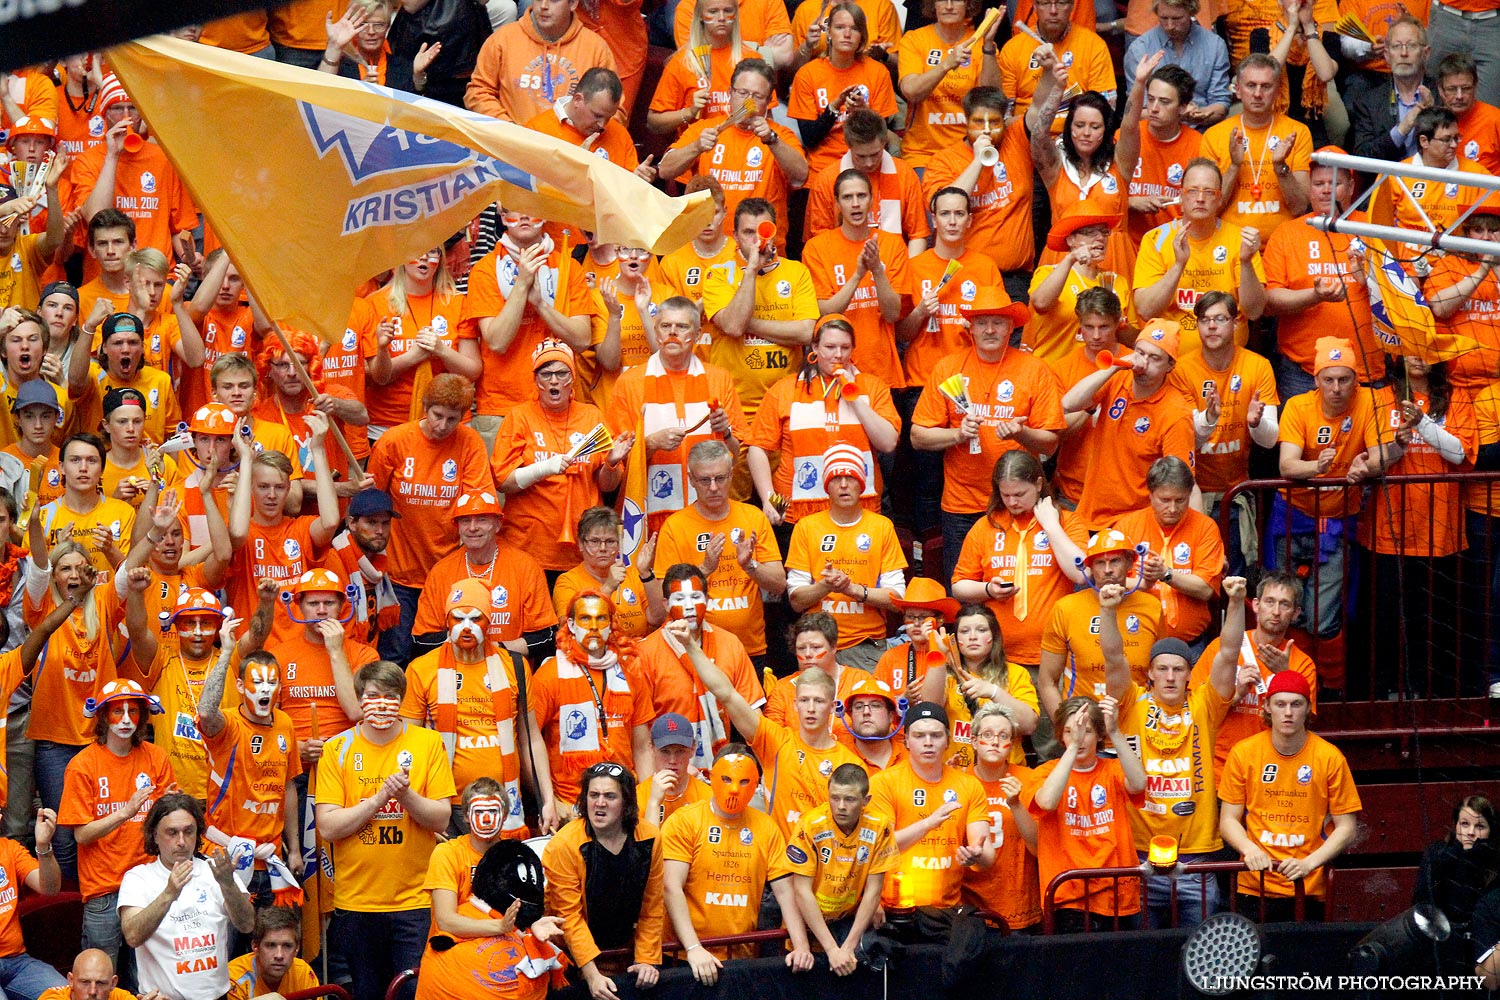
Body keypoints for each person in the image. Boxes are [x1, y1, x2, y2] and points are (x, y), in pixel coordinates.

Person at [1104, 575, 1243, 927]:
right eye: (1162, 669)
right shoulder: (1131, 702)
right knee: (1143, 960)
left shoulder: (1204, 706)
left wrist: (1237, 602)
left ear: (1189, 674)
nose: (1169, 676)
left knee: (1202, 958)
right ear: (1149, 673)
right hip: (1140, 857)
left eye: (1178, 669)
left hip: (1195, 861)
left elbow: (1228, 654)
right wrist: (1107, 611)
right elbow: (1113, 656)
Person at [315, 660, 457, 1000]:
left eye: (390, 696)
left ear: (402, 700)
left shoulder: (428, 743)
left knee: (411, 993)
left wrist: (405, 795)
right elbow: (328, 825)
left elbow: (440, 818)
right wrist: (378, 799)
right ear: (360, 698)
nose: (381, 703)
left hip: (414, 902)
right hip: (357, 903)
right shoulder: (337, 749)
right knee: (367, 993)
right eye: (373, 695)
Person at [912, 286, 1065, 583]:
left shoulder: (1035, 370)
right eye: (982, 322)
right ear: (970, 327)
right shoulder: (948, 368)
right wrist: (956, 434)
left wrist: (1022, 434)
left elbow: (1051, 441)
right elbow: (918, 436)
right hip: (961, 506)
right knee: (965, 593)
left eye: (998, 322)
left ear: (1011, 327)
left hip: (1019, 505)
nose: (990, 329)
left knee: (1021, 589)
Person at [674, 616, 861, 841]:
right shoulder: (775, 741)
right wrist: (690, 645)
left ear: (832, 707)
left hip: (826, 863)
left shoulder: (849, 763)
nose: (811, 708)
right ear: (794, 704)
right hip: (780, 863)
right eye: (804, 700)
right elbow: (726, 693)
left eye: (819, 701)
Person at [950, 451, 1086, 753]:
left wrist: (1051, 526)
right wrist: (988, 589)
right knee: (996, 742)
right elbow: (958, 584)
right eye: (1005, 494)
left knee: (1051, 745)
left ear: (1039, 484)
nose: (1012, 501)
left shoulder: (1066, 521)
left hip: (1049, 657)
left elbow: (1079, 572)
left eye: (1020, 494)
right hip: (998, 659)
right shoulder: (987, 526)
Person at [403, 577, 556, 837]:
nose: (466, 627)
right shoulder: (421, 669)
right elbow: (408, 747)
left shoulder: (515, 666)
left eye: (476, 619)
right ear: (445, 621)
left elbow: (531, 741)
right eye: (457, 619)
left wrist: (548, 799)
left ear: (490, 623)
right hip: (446, 806)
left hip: (505, 803)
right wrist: (423, 810)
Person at [1274, 337, 1402, 648]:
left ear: (1356, 379)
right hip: (1292, 518)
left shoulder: (1370, 401)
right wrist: (1317, 467)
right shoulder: (1298, 405)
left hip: (1338, 522)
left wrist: (1366, 469)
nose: (1336, 388)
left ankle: (1327, 688)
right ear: (1315, 380)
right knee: (1281, 610)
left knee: (1321, 616)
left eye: (1344, 379)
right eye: (1328, 379)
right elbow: (1287, 466)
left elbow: (1379, 456)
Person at [367, 374, 496, 665]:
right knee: (395, 655)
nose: (442, 426)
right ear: (424, 407)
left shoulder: (470, 442)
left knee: (444, 656)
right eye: (437, 415)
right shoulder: (394, 441)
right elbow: (373, 504)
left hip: (449, 573)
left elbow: (478, 502)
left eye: (452, 419)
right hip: (398, 574)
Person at [58, 679, 176, 991]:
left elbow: (169, 821)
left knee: (148, 982)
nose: (125, 720)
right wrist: (126, 811)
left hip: (149, 884)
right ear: (102, 717)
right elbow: (81, 835)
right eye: (117, 712)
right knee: (97, 984)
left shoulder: (157, 758)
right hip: (103, 889)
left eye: (133, 712)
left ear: (142, 718)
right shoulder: (81, 765)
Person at [661, 745, 813, 982]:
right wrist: (693, 948)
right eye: (726, 778)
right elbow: (671, 886)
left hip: (741, 955)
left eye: (744, 782)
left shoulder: (767, 828)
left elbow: (786, 891)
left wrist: (801, 946)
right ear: (711, 777)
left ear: (756, 783)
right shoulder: (684, 822)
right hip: (685, 956)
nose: (734, 789)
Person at [1219, 670, 1362, 922]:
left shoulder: (1330, 758)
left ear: (1308, 709)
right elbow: (1228, 819)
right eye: (1280, 704)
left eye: (1296, 704)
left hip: (1307, 887)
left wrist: (1310, 862)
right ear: (1267, 707)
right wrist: (1248, 849)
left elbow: (1347, 827)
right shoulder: (1244, 753)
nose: (1288, 712)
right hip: (1254, 884)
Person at [605, 297, 748, 535]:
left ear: (698, 333)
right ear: (655, 330)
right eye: (665, 326)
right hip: (650, 514)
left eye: (682, 327)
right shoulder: (630, 383)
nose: (673, 333)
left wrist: (726, 432)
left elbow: (734, 457)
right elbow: (615, 463)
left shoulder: (718, 379)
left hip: (708, 513)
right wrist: (650, 444)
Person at [197, 600, 305, 914]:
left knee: (273, 947)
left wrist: (294, 850)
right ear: (242, 686)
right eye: (257, 682)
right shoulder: (228, 724)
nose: (265, 689)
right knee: (229, 946)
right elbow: (205, 711)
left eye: (272, 683)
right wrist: (227, 651)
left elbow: (288, 788)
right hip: (225, 855)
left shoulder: (284, 723)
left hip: (271, 860)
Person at [492, 339, 632, 575]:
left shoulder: (591, 417)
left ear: (573, 378)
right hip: (530, 548)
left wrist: (611, 462)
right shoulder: (519, 417)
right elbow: (503, 482)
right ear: (536, 380)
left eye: (561, 373)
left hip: (582, 551)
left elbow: (607, 486)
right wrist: (544, 468)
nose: (554, 381)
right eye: (546, 374)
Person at [748, 316, 900, 532]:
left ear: (853, 349)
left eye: (845, 347)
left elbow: (888, 443)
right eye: (830, 347)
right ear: (814, 347)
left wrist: (855, 397)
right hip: (796, 510)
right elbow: (757, 448)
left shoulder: (873, 387)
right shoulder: (784, 390)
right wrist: (768, 498)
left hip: (859, 508)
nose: (838, 355)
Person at [1262, 148, 1384, 399]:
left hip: (1367, 372)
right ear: (1310, 188)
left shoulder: (1375, 228)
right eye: (1318, 183)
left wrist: (1370, 280)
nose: (1326, 190)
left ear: (1351, 187)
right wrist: (1315, 296)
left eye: (1335, 183)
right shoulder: (1287, 233)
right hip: (1303, 373)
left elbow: (1405, 295)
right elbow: (1268, 303)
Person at [457, 209, 594, 424]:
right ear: (503, 218)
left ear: (545, 216)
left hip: (558, 405)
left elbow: (582, 340)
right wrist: (521, 284)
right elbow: (497, 341)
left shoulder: (568, 267)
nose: (523, 216)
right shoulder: (485, 270)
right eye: (515, 209)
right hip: (501, 408)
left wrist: (540, 303)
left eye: (531, 209)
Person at [652, 439, 785, 660]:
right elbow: (661, 602)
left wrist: (750, 566)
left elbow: (779, 585)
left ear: (731, 475)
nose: (713, 487)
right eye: (705, 480)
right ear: (691, 480)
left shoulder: (753, 517)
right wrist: (704, 569)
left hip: (750, 650)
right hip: (697, 650)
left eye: (720, 478)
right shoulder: (674, 527)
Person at [541, 762, 664, 998]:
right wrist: (591, 973)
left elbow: (652, 906)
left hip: (621, 951)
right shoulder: (564, 845)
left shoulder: (650, 838)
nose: (599, 803)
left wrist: (647, 959)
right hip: (569, 960)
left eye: (610, 796)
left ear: (627, 802)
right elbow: (569, 917)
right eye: (593, 795)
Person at [658, 61, 809, 253]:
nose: (749, 101)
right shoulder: (705, 129)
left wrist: (772, 140)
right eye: (742, 93)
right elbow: (665, 170)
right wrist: (696, 147)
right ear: (730, 93)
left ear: (769, 100)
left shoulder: (780, 135)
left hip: (762, 250)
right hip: (711, 252)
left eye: (757, 96)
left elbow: (801, 175)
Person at [1061, 318, 1198, 529]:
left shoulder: (1176, 413)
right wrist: (1116, 366)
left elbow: (1180, 481)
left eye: (1154, 358)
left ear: (1170, 365)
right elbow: (1069, 403)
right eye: (1140, 353)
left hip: (1136, 524)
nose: (1143, 364)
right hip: (1089, 514)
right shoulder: (1118, 379)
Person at [1030, 50, 1157, 277]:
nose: (1086, 133)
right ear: (1069, 128)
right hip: (1062, 260)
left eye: (1095, 127)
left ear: (1106, 131)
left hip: (1114, 260)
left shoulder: (1120, 163)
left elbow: (1129, 125)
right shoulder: (1056, 166)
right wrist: (1057, 90)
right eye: (1079, 125)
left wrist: (1139, 83)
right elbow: (1038, 135)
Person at [699, 200, 817, 441]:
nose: (757, 240)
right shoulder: (718, 273)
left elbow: (806, 333)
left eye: (763, 230)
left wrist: (748, 323)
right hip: (733, 406)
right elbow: (733, 326)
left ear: (775, 231)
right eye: (748, 232)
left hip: (785, 404)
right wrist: (752, 269)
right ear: (735, 236)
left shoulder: (797, 272)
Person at [118, 793, 254, 1000]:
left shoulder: (217, 870)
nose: (181, 842)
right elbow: (133, 936)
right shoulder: (138, 878)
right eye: (172, 833)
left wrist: (227, 884)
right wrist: (169, 893)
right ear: (154, 835)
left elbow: (247, 925)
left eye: (188, 832)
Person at [1028, 694, 1146, 931]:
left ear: (1099, 735)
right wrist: (1072, 748)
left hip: (1115, 893)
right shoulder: (1044, 772)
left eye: (1087, 731)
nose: (1079, 738)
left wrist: (1115, 732)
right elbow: (1047, 802)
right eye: (1070, 731)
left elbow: (1139, 783)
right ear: (1060, 735)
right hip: (1067, 896)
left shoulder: (1112, 769)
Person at [530, 590, 654, 815]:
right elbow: (529, 744)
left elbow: (643, 747)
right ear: (571, 624)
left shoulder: (631, 672)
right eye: (585, 618)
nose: (594, 626)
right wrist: (549, 801)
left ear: (611, 624)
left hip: (624, 803)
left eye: (601, 618)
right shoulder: (549, 676)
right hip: (570, 805)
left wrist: (646, 803)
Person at [63, 77, 198, 282]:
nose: (126, 116)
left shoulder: (163, 159)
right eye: (117, 108)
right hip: (106, 280)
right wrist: (112, 156)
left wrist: (190, 257)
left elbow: (179, 228)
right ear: (104, 114)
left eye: (132, 108)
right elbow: (97, 217)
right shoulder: (87, 160)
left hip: (156, 279)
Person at [785, 445, 907, 669]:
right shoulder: (806, 527)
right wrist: (826, 585)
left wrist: (852, 589)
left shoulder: (881, 526)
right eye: (836, 478)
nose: (843, 485)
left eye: (850, 477)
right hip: (816, 645)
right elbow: (796, 600)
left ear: (861, 483)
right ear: (826, 486)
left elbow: (897, 599)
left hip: (866, 645)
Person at [225, 415, 342, 649]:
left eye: (279, 487)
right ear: (250, 488)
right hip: (254, 652)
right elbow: (237, 533)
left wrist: (317, 450)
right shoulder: (243, 533)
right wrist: (246, 460)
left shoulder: (299, 529)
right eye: (263, 487)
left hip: (298, 651)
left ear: (289, 488)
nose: (271, 495)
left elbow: (330, 522)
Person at [868, 702, 993, 916]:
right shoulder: (884, 782)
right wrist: (928, 823)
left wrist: (976, 856)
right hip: (895, 908)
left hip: (948, 909)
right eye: (919, 736)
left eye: (936, 736)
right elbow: (880, 848)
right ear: (906, 740)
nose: (928, 743)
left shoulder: (969, 785)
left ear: (948, 740)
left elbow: (986, 857)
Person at [1190, 570, 1319, 779]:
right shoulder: (1220, 649)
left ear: (1296, 613)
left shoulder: (1302, 664)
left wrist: (1285, 676)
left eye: (1284, 604)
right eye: (1270, 602)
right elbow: (1194, 713)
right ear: (1256, 605)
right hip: (1218, 769)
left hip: (1269, 772)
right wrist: (1236, 694)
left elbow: (1303, 725)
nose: (1276, 611)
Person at [635, 563, 765, 770]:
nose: (689, 606)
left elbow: (754, 718)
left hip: (722, 768)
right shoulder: (645, 653)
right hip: (668, 770)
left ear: (707, 600)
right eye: (680, 599)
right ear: (666, 604)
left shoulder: (730, 644)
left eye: (696, 597)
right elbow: (640, 738)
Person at [1134, 160, 1267, 355]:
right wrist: (1179, 265)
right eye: (1193, 191)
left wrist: (1246, 262)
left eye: (1209, 192)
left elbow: (1254, 311)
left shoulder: (1240, 239)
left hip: (1228, 360)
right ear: (1181, 196)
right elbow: (1146, 310)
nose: (1200, 198)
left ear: (1220, 199)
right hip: (1171, 360)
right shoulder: (1156, 239)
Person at [410, 490, 557, 661]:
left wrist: (493, 649)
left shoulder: (525, 567)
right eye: (465, 520)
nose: (473, 527)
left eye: (482, 519)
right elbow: (422, 640)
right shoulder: (441, 571)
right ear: (457, 526)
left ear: (498, 524)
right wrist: (468, 644)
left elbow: (545, 637)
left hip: (508, 670)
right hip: (456, 673)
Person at [414, 840, 570, 1000]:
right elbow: (446, 923)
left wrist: (532, 930)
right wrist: (500, 926)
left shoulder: (515, 918)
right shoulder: (467, 912)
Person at [919, 88, 1036, 300]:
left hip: (1015, 278)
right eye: (978, 123)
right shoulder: (943, 161)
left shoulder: (1016, 139)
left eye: (994, 122)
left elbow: (1040, 107)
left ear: (1005, 121)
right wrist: (978, 161)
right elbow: (944, 204)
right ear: (965, 120)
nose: (987, 130)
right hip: (963, 275)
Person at [801, 174, 914, 391]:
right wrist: (858, 275)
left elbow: (893, 314)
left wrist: (877, 271)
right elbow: (825, 313)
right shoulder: (817, 248)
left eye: (861, 196)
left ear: (872, 200)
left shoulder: (892, 244)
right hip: (833, 370)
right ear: (836, 203)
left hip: (882, 371)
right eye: (847, 197)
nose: (855, 203)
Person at [1038, 529, 1163, 722]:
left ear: (1130, 563)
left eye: (1115, 561)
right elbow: (1047, 682)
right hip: (1084, 727)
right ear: (1089, 567)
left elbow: (1162, 673)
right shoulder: (1066, 608)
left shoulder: (1152, 607)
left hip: (1138, 724)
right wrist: (1065, 727)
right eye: (1099, 562)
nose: (1107, 570)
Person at [788, 762, 896, 974]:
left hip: (849, 921)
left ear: (866, 801)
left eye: (850, 799)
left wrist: (847, 947)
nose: (841, 806)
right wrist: (831, 950)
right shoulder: (809, 825)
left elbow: (874, 891)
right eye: (835, 797)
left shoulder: (880, 826)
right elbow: (801, 891)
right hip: (809, 922)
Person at [1112, 457, 1224, 652]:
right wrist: (1143, 583)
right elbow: (1110, 584)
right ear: (1151, 494)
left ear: (1190, 494)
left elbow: (1206, 589)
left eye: (1180, 500)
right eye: (1165, 500)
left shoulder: (1205, 527)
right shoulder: (1127, 527)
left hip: (1191, 645)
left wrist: (1166, 574)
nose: (1172, 509)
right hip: (1134, 643)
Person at [1201, 54, 1314, 239]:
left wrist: (1280, 167)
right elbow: (1210, 209)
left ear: (1278, 91)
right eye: (1251, 85)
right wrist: (1234, 166)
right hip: (1230, 245)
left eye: (1266, 86)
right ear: (1237, 90)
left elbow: (1300, 207)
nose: (1258, 94)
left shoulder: (1297, 132)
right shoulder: (1213, 136)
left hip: (1282, 244)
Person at [917, 603, 1041, 767]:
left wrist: (994, 692)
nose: (972, 637)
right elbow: (930, 709)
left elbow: (1029, 725)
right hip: (957, 774)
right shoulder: (943, 674)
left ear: (994, 636)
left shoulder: (1016, 673)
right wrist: (940, 653)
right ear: (955, 638)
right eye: (965, 631)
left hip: (1006, 774)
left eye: (981, 630)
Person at [788, 3, 901, 177]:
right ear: (829, 33)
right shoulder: (807, 74)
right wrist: (834, 107)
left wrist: (863, 111)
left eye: (854, 29)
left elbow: (881, 134)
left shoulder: (877, 72)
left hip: (866, 165)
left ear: (862, 36)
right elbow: (810, 138)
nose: (847, 35)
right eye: (840, 28)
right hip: (821, 168)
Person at [465, 0, 616, 124]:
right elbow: (478, 92)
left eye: (554, 0)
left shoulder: (596, 48)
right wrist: (509, 130)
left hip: (570, 151)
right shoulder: (502, 40)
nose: (543, 6)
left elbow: (615, 111)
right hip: (511, 149)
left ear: (573, 4)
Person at [959, 704, 1040, 932]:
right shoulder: (956, 781)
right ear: (973, 741)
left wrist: (1015, 804)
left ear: (1012, 744)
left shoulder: (1030, 779)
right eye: (987, 735)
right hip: (969, 904)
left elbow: (1038, 847)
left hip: (1018, 901)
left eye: (1003, 736)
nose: (995, 742)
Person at [803, 111, 931, 255]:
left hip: (894, 265)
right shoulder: (826, 179)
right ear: (848, 145)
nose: (869, 163)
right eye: (861, 156)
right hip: (842, 264)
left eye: (875, 154)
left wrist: (907, 274)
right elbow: (819, 241)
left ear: (884, 142)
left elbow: (918, 235)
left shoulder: (904, 173)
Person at [897, 0, 1002, 171]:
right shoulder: (914, 39)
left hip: (971, 151)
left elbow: (991, 100)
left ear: (968, 4)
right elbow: (912, 92)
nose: (949, 5)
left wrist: (988, 45)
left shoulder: (981, 44)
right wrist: (947, 64)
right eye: (942, 0)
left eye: (957, 0)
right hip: (922, 154)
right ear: (933, 4)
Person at [1026, 201, 1135, 363]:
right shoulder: (1048, 273)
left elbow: (1133, 340)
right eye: (1090, 232)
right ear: (1070, 240)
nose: (1100, 238)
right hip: (1052, 372)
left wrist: (1117, 321)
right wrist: (1071, 259)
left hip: (1096, 374)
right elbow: (1041, 303)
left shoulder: (1116, 282)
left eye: (1104, 232)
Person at [1371, 107, 1487, 239]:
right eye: (1446, 139)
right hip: (1406, 256)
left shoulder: (1478, 175)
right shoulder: (1395, 175)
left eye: (1456, 138)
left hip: (1458, 257)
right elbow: (1376, 227)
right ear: (1424, 141)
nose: (1454, 145)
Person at [1127, 65, 1204, 247]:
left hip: (1177, 245)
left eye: (1164, 102)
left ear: (1182, 107)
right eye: (1151, 99)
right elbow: (1103, 195)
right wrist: (1130, 202)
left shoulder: (1199, 145)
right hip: (1130, 243)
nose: (1154, 108)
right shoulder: (1125, 138)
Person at [554, 507, 660, 639]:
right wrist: (608, 588)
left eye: (610, 541)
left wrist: (646, 574)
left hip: (637, 652)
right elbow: (569, 630)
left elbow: (658, 618)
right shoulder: (567, 581)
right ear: (581, 544)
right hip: (591, 654)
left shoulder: (633, 574)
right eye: (595, 541)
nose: (603, 548)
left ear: (619, 544)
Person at [997, 0, 1117, 117]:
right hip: (1025, 131)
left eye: (1061, 3)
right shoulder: (1013, 48)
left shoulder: (1094, 45)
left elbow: (1105, 110)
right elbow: (1003, 115)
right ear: (1035, 6)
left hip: (1076, 133)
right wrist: (1030, 124)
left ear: (1071, 6)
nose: (1053, 11)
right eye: (1046, 3)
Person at [1123, 0, 1230, 128]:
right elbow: (1136, 110)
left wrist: (1200, 114)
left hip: (1201, 131)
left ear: (1191, 12)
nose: (1170, 26)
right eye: (1163, 18)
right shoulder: (1139, 49)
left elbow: (1221, 103)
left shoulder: (1215, 45)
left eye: (1177, 18)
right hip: (1156, 133)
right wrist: (1178, 114)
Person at [38, 433, 135, 571]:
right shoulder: (43, 517)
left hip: (111, 592)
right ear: (62, 467)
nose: (83, 468)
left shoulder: (124, 512)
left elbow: (133, 574)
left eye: (92, 461)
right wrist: (60, 553)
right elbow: (34, 579)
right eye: (75, 460)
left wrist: (110, 549)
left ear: (102, 469)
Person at [0, 803, 65, 1000]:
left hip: (16, 961)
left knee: (67, 995)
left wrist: (43, 846)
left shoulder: (9, 849)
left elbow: (50, 888)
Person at [1349, 15, 1436, 162]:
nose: (1403, 53)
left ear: (1426, 53)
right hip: (1386, 183)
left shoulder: (1442, 94)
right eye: (1396, 46)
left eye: (1411, 45)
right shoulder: (1368, 102)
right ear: (1387, 55)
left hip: (1435, 182)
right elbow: (1362, 159)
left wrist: (1435, 115)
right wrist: (1402, 129)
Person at [329, 488, 402, 649]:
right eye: (371, 522)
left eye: (385, 523)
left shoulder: (380, 560)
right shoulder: (333, 562)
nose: (380, 531)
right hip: (341, 654)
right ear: (352, 523)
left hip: (367, 657)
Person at [226, 907, 320, 1000]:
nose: (279, 955)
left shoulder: (303, 973)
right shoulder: (234, 978)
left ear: (297, 948)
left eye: (287, 946)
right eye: (271, 945)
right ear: (255, 946)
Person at [639, 712, 710, 827]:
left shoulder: (707, 797)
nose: (672, 760)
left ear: (693, 749)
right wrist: (654, 803)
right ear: (652, 749)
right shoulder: (637, 797)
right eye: (665, 751)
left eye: (680, 751)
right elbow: (646, 845)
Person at [1436, 53, 1500, 175]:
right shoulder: (1434, 123)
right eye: (1452, 89)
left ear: (1475, 87)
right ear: (1440, 89)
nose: (1459, 96)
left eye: (1466, 88)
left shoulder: (1495, 119)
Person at [37, 950, 137, 1000]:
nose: (92, 991)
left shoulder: (120, 996)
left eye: (100, 983)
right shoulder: (53, 997)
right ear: (71, 980)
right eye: (85, 982)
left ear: (113, 983)